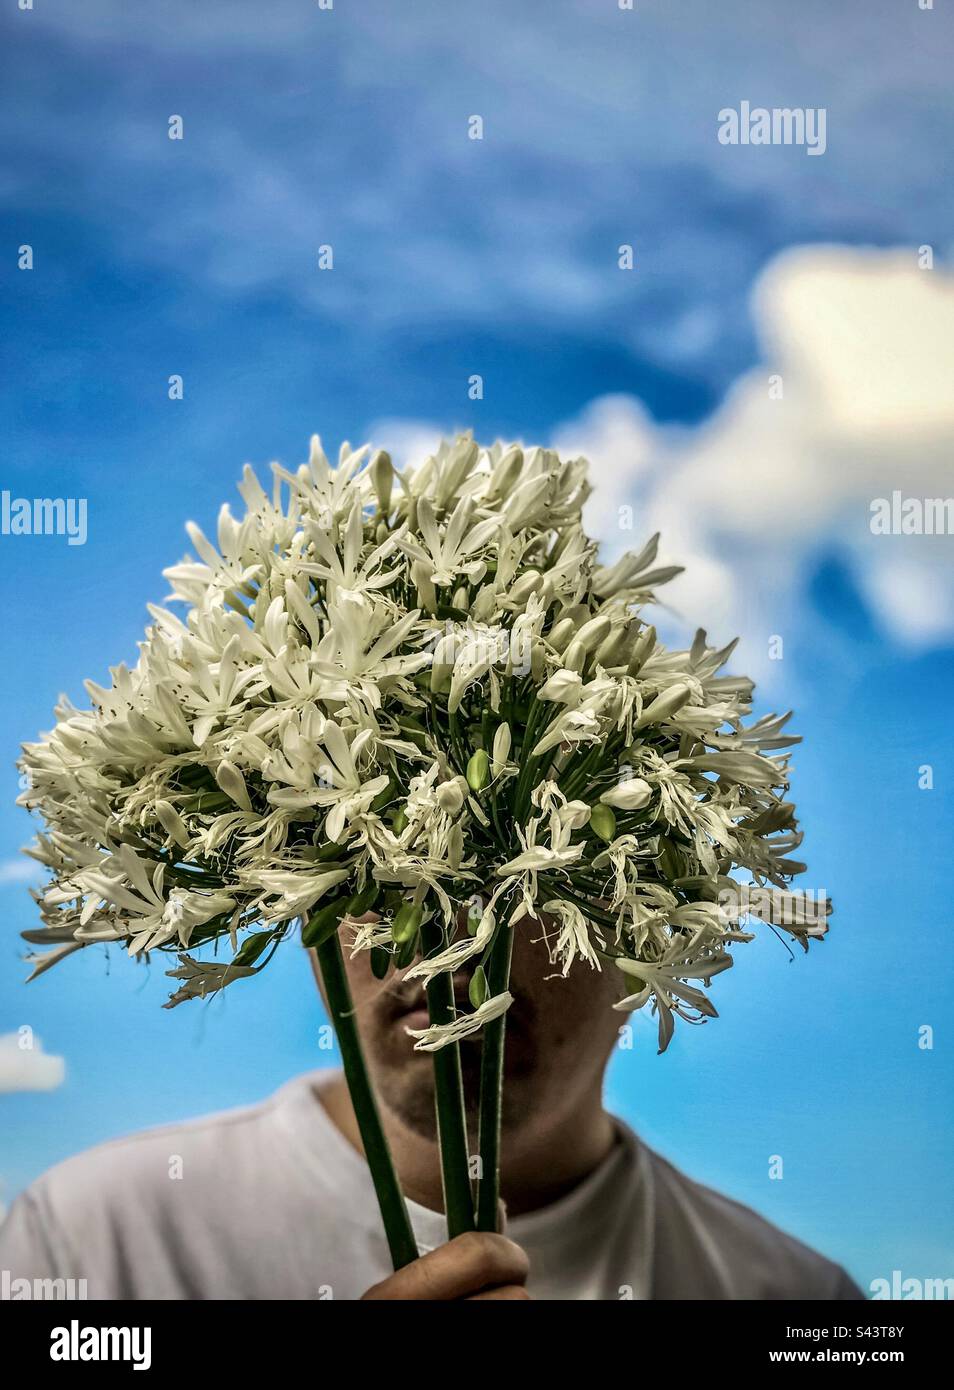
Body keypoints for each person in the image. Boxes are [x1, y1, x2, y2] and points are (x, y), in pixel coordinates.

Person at [0, 913, 864, 1301]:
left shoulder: (794, 1296)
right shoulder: (87, 1239)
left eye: (528, 867)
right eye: (372, 861)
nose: (445, 937)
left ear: (652, 937)